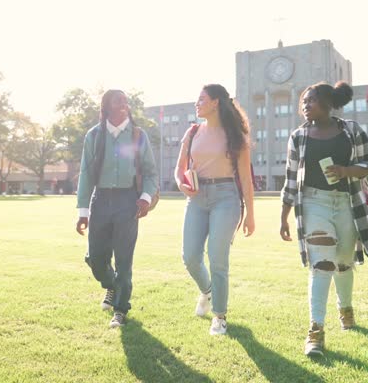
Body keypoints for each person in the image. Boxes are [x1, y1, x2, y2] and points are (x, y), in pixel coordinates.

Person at [279, 81, 368, 357]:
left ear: (326, 102)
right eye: (303, 102)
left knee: (344, 263)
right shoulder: (298, 137)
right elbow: (290, 179)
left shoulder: (351, 130)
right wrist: (283, 217)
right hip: (313, 203)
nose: (305, 105)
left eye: (310, 100)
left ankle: (345, 309)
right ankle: (315, 332)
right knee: (322, 264)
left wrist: (346, 170)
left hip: (347, 203)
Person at [174, 84, 255, 336]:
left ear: (216, 102)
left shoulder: (236, 136)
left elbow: (245, 177)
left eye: (201, 99)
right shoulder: (193, 131)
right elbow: (179, 169)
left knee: (218, 259)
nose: (197, 104)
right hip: (197, 199)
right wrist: (182, 185)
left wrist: (250, 214)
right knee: (190, 257)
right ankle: (208, 292)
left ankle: (219, 316)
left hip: (226, 198)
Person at [75, 89, 158, 328]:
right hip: (100, 201)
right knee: (96, 259)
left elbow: (151, 172)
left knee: (123, 259)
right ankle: (110, 285)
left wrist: (144, 198)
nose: (123, 103)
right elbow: (85, 174)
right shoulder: (93, 136)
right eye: (117, 100)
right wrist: (83, 212)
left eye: (125, 100)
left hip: (128, 202)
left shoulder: (137, 135)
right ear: (106, 106)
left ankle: (120, 309)